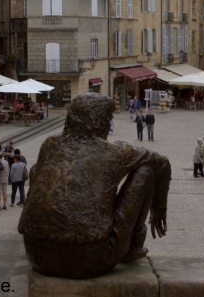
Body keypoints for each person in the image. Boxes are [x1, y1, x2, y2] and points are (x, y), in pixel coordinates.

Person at [18, 93, 171, 279]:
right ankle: (133, 245)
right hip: (91, 258)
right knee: (145, 172)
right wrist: (159, 209)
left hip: (37, 255)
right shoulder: (114, 152)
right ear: (101, 121)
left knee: (38, 169)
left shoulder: (50, 144)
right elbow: (162, 163)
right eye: (108, 119)